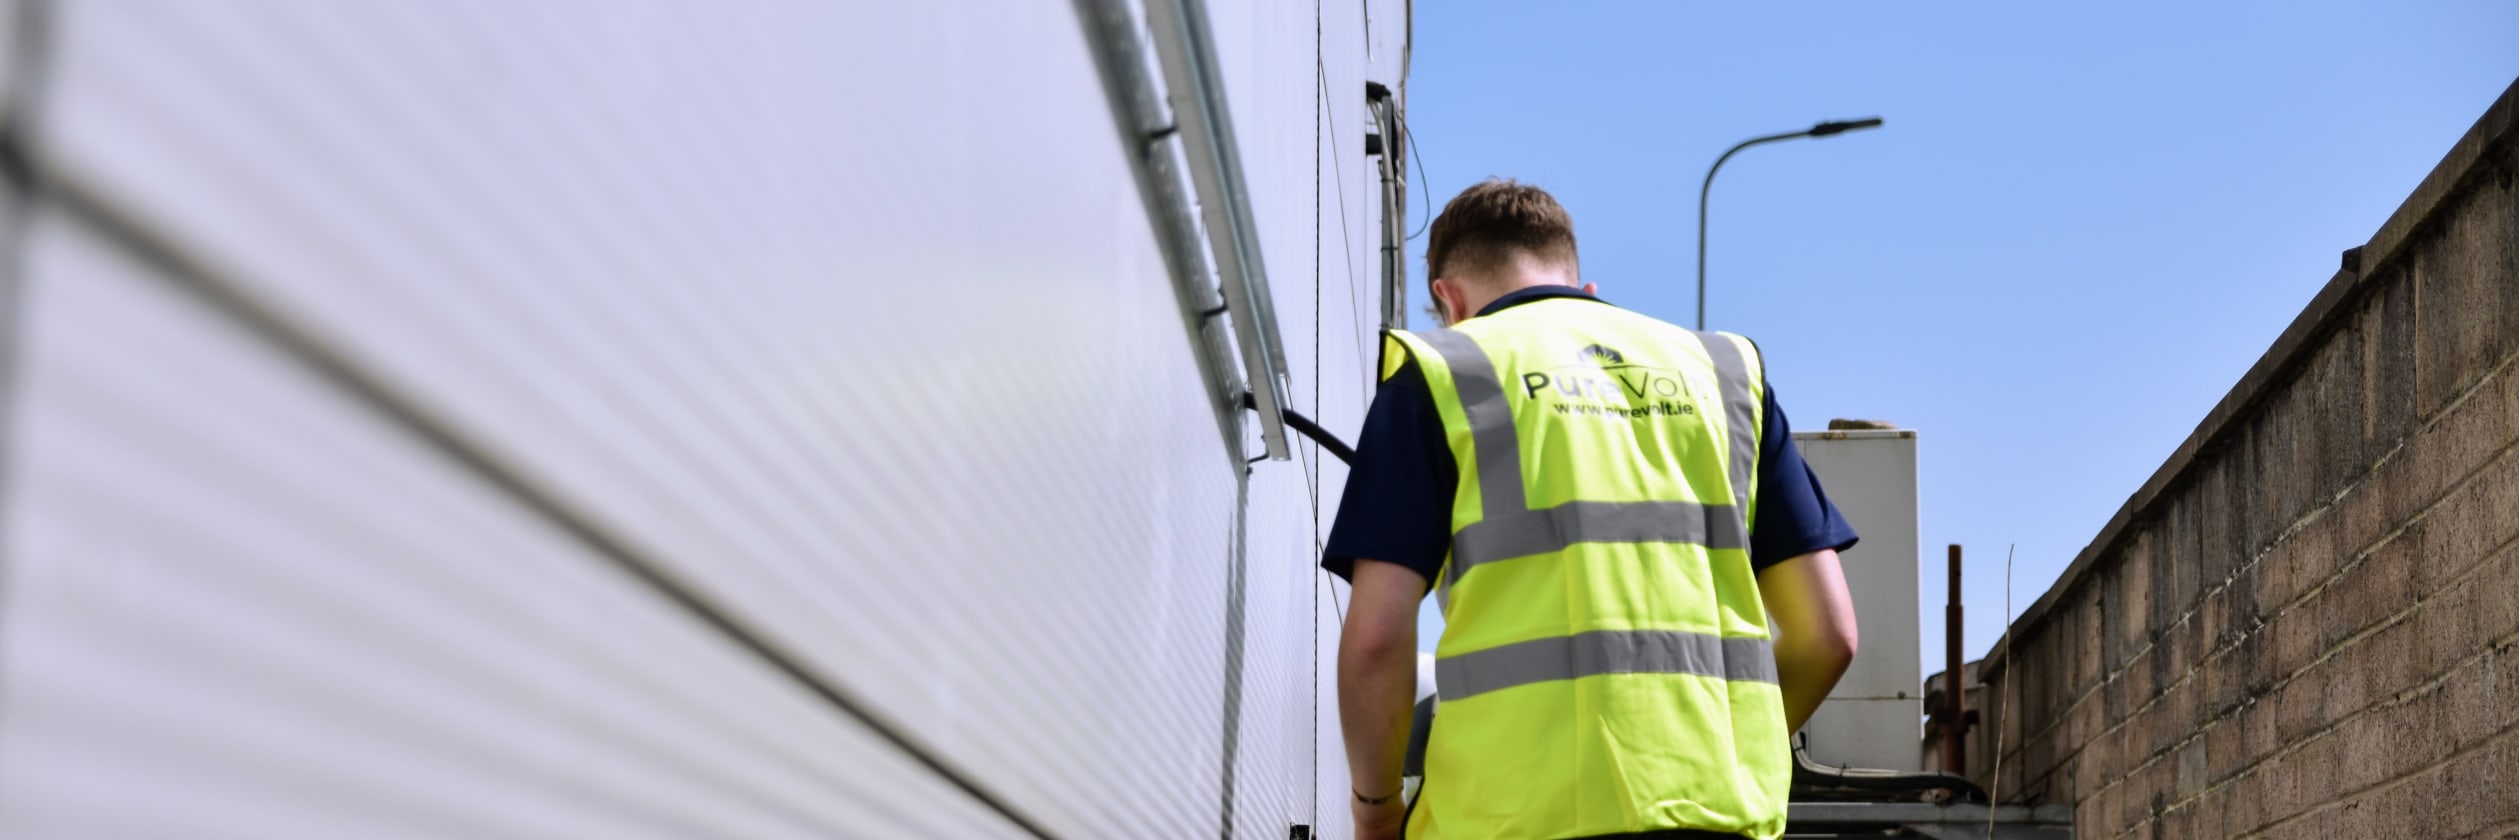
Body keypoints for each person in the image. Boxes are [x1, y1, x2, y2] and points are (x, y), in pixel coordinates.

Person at [1326, 179, 1861, 840]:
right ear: (1584, 289)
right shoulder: (1723, 373)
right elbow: (1827, 635)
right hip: (1715, 813)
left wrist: (1373, 813)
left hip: (1511, 820)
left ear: (1447, 298)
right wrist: (1718, 751)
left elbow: (1377, 641)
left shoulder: (1444, 372)